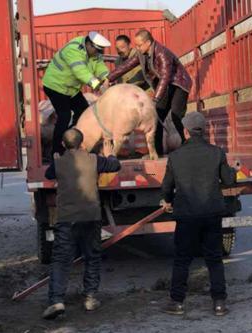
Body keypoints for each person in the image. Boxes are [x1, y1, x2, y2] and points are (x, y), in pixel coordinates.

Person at [160, 112, 237, 316]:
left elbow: (167, 186)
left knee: (182, 259)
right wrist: (234, 171)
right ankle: (219, 303)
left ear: (185, 131)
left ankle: (177, 302)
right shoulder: (217, 153)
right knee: (214, 259)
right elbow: (228, 181)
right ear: (203, 131)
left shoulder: (175, 157)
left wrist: (166, 200)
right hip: (212, 213)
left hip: (186, 215)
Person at [42, 128, 121, 320]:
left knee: (61, 259)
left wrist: (56, 159)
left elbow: (48, 174)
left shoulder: (58, 163)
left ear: (63, 144)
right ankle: (90, 298)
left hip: (67, 218)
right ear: (83, 143)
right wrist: (110, 154)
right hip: (91, 216)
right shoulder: (94, 159)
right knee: (92, 256)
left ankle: (56, 300)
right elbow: (114, 165)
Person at [107, 29, 193, 156]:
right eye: (136, 45)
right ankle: (157, 153)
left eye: (139, 45)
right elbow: (127, 65)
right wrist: (109, 78)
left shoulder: (162, 53)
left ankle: (190, 147)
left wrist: (156, 99)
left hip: (179, 84)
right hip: (166, 86)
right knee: (156, 118)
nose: (137, 48)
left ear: (148, 42)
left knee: (176, 115)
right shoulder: (142, 53)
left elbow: (165, 77)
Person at [43, 31, 111, 156]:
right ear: (89, 45)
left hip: (71, 89)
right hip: (55, 86)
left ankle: (71, 140)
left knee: (83, 112)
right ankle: (57, 151)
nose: (98, 54)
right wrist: (98, 86)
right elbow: (81, 72)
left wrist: (107, 78)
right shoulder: (73, 50)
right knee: (64, 116)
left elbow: (100, 66)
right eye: (96, 50)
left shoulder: (94, 52)